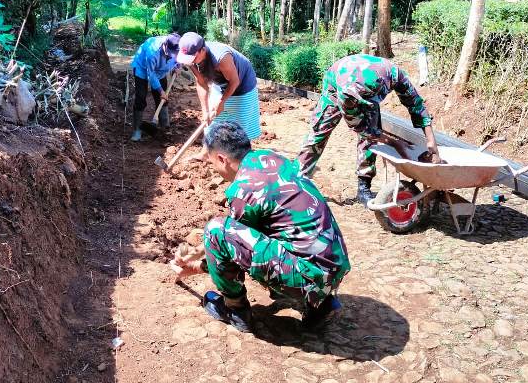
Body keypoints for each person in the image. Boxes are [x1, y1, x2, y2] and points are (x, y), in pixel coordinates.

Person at [172, 121, 351, 333]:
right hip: (334, 268)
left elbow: (229, 247)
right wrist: (195, 254)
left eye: (212, 163)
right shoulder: (271, 158)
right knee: (269, 228)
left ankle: (236, 311)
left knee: (215, 229)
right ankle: (321, 305)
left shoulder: (243, 190)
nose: (215, 169)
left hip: (310, 276)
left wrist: (195, 267)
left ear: (222, 159)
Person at [297, 53, 441, 207]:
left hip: (359, 81)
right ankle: (298, 181)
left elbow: (415, 103)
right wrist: (394, 143)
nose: (369, 105)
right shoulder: (347, 93)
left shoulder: (394, 74)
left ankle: (363, 187)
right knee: (320, 130)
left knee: (371, 135)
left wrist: (431, 140)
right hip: (336, 82)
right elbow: (360, 128)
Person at [175, 32, 261, 140]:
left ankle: (240, 154)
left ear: (202, 50)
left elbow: (234, 81)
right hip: (219, 84)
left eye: (192, 57)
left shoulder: (221, 57)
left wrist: (222, 101)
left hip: (242, 84)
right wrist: (205, 111)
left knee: (241, 127)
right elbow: (201, 84)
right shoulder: (192, 60)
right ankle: (206, 152)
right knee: (211, 123)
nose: (190, 61)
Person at [130, 33, 180, 141]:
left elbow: (179, 59)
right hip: (142, 69)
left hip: (161, 72)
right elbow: (151, 75)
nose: (172, 55)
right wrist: (161, 91)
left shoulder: (177, 47)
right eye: (170, 53)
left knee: (162, 99)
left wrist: (176, 66)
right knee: (140, 97)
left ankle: (164, 126)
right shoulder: (152, 52)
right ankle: (137, 129)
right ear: (165, 46)